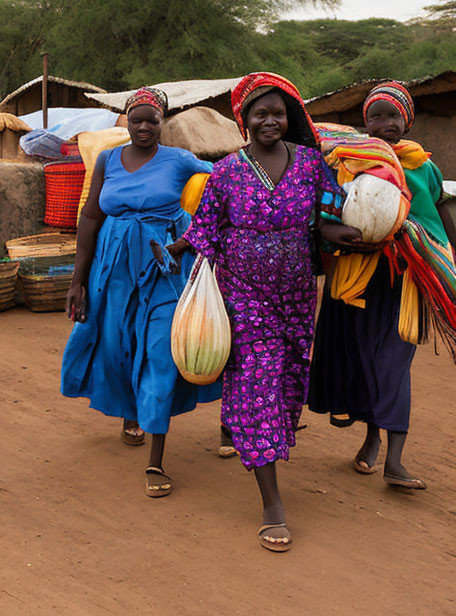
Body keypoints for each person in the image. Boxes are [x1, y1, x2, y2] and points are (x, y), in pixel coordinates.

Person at [175, 72, 361, 552]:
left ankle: (256, 438)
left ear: (290, 117)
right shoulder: (226, 174)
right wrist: (176, 248)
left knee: (287, 382)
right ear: (244, 120)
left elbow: (328, 216)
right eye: (261, 113)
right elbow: (206, 230)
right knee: (257, 383)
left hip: (297, 297)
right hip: (243, 296)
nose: (270, 121)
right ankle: (271, 501)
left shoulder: (310, 165)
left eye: (278, 113)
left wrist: (333, 233)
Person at [60, 87, 219, 498]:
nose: (144, 127)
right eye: (137, 120)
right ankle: (130, 412)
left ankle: (156, 456)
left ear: (162, 122)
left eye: (152, 120)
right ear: (126, 122)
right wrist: (77, 280)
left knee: (161, 352)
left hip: (163, 266)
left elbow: (223, 186)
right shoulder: (108, 159)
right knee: (117, 344)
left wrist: (191, 237)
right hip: (112, 268)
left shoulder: (180, 160)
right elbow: (92, 216)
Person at [309, 82, 456, 492]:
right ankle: (371, 438)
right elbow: (325, 211)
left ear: (407, 120)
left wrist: (445, 261)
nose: (385, 125)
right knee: (359, 360)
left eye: (393, 116)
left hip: (403, 281)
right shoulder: (348, 162)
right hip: (355, 278)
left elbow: (440, 221)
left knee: (392, 364)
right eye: (376, 116)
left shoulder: (423, 167)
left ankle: (394, 460)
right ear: (364, 122)